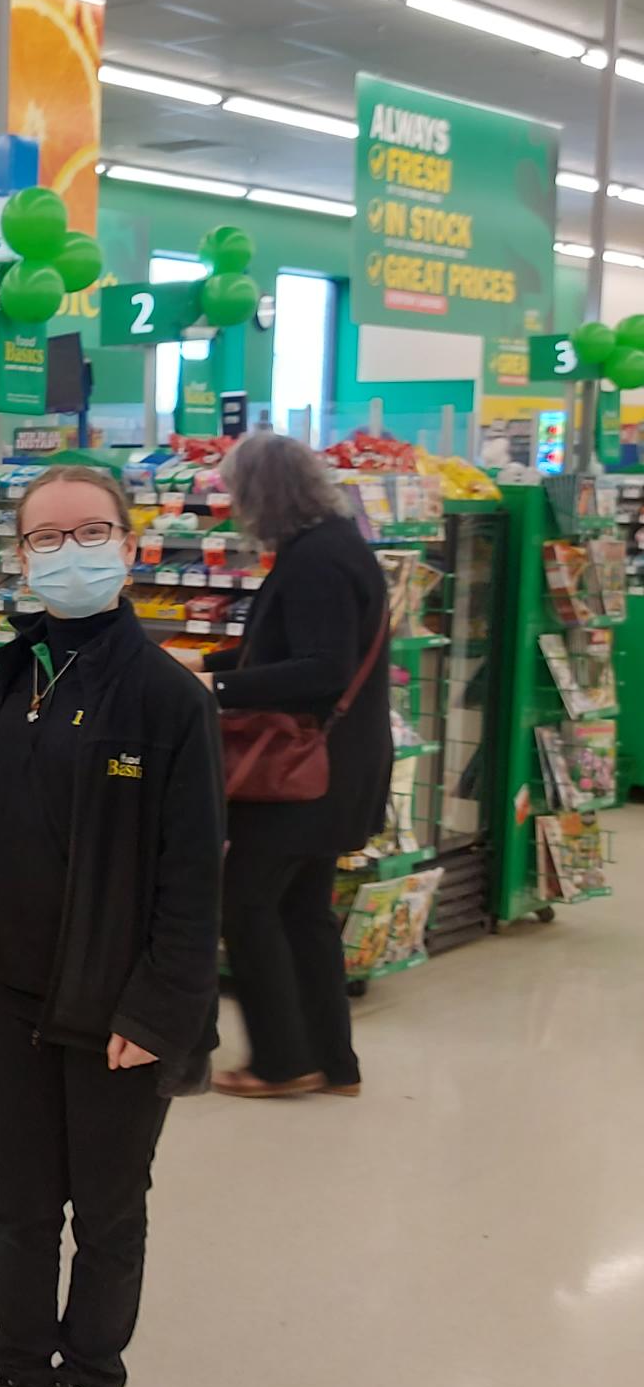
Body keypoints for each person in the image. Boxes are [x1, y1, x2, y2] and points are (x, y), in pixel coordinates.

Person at [0, 463, 222, 1387]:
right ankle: (16, 1378)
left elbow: (195, 875)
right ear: (20, 559)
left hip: (117, 1006)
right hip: (9, 992)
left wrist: (160, 1009)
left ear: (128, 545)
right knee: (21, 1205)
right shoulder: (7, 681)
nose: (69, 553)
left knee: (107, 1211)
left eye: (90, 532)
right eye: (46, 538)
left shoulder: (167, 698)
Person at [201, 431, 389, 1100]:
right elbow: (283, 650)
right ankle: (335, 1063)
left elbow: (320, 668)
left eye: (237, 495)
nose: (234, 509)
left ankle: (282, 1062)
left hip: (302, 775)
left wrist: (215, 687)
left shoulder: (316, 562)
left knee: (247, 904)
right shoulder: (337, 545)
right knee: (304, 911)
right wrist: (201, 662)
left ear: (264, 494)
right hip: (336, 767)